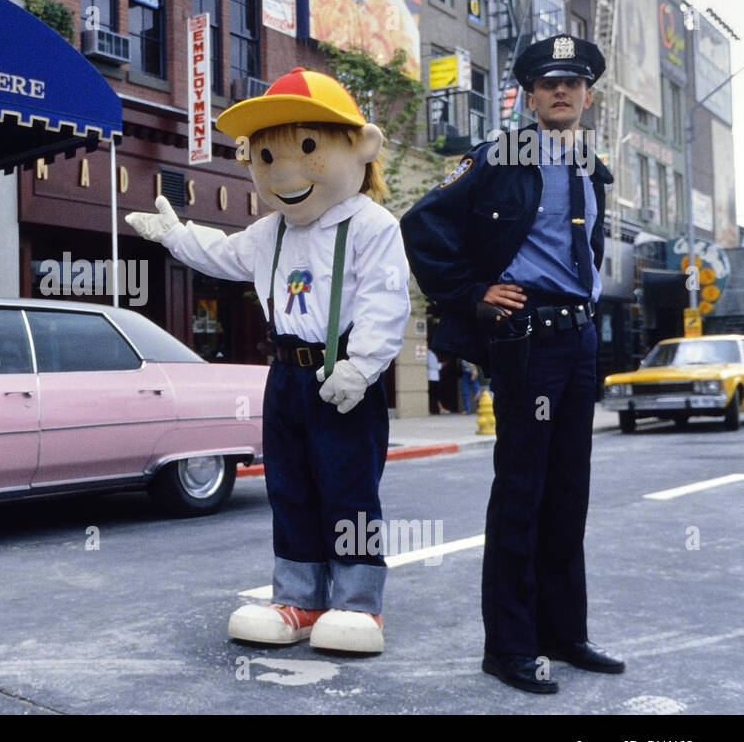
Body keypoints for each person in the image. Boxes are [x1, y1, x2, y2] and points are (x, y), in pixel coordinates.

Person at [127, 69, 410, 654]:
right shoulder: (269, 231)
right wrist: (176, 236)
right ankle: (299, 598)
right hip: (284, 376)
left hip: (342, 376)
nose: (282, 170)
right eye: (265, 155)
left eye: (307, 148)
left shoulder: (370, 225)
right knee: (290, 487)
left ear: (359, 147)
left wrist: (362, 367)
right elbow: (223, 254)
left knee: (349, 488)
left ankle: (358, 604)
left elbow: (386, 298)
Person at [400, 34, 625, 694]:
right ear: (529, 95)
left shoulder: (591, 168)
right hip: (528, 339)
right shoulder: (503, 157)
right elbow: (423, 224)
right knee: (522, 494)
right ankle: (509, 646)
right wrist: (473, 293)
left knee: (568, 495)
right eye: (548, 82)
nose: (561, 91)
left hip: (579, 340)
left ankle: (564, 632)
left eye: (573, 82)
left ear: (587, 95)